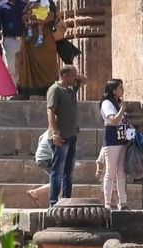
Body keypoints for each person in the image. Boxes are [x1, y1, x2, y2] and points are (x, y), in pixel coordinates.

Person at [47, 65, 86, 207]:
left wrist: (75, 76)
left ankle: (66, 200)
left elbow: (85, 80)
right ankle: (54, 202)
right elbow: (50, 112)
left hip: (71, 135)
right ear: (64, 75)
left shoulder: (70, 90)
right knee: (57, 171)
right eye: (72, 75)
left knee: (68, 172)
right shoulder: (55, 90)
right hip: (60, 136)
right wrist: (55, 133)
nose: (75, 78)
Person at [16, 0, 59, 98]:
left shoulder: (49, 3)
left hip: (45, 39)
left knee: (46, 65)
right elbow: (23, 17)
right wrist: (29, 18)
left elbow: (52, 16)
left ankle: (49, 92)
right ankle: (26, 93)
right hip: (30, 41)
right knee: (25, 65)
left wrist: (39, 20)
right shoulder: (29, 3)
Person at [100, 79, 130, 211]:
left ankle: (122, 202)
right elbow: (113, 120)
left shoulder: (118, 103)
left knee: (121, 172)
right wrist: (123, 108)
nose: (122, 90)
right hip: (112, 141)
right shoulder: (107, 104)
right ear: (113, 90)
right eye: (120, 88)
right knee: (110, 171)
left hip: (122, 139)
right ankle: (107, 202)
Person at [0, 0, 27, 87]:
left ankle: (22, 90)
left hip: (23, 40)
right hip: (9, 40)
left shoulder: (24, 5)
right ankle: (12, 90)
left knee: (23, 67)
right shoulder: (1, 6)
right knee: (10, 68)